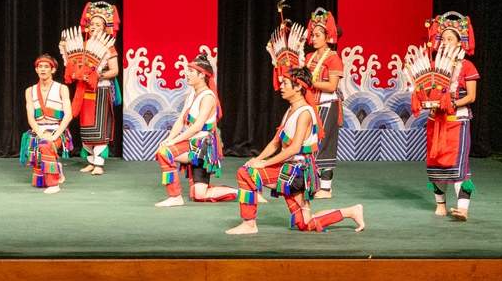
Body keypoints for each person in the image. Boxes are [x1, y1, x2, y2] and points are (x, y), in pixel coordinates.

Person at [226, 67, 365, 235]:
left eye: (285, 83)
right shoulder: (291, 110)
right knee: (304, 223)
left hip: (297, 172)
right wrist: (257, 159)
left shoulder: (304, 113)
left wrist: (264, 163)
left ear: (298, 87)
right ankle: (350, 211)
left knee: (245, 173)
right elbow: (276, 142)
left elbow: (294, 148)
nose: (281, 86)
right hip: (290, 169)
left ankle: (249, 224)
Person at [153, 53, 236, 206]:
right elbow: (180, 120)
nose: (187, 74)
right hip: (193, 143)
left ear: (202, 75)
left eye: (191, 71)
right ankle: (240, 192)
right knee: (199, 194)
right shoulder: (192, 94)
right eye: (188, 70)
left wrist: (173, 142)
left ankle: (175, 196)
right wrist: (169, 139)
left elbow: (197, 126)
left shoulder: (208, 97)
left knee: (165, 152)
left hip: (203, 146)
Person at [422, 11, 479, 221]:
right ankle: (441, 204)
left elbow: (471, 96)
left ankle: (462, 208)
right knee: (435, 162)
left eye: (449, 39)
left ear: (459, 42)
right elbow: (426, 91)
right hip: (436, 122)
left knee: (458, 165)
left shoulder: (467, 66)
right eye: (443, 38)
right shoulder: (434, 67)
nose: (445, 42)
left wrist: (452, 102)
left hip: (457, 122)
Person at [67, 1, 120, 174]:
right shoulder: (82, 47)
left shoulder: (108, 46)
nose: (94, 27)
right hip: (84, 90)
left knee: (99, 124)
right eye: (92, 24)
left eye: (99, 24)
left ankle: (99, 163)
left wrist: (97, 76)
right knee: (86, 124)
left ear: (105, 28)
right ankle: (90, 160)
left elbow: (115, 70)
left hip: (101, 90)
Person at [304, 8, 344, 198]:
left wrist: (310, 81)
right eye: (312, 34)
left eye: (318, 34)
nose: (314, 38)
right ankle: (313, 183)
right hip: (311, 104)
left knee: (325, 143)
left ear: (328, 36)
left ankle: (326, 188)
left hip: (328, 104)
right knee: (310, 143)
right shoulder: (309, 57)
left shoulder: (333, 58)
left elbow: (331, 86)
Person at [20, 54, 74, 193]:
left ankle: (53, 184)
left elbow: (68, 115)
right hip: (38, 131)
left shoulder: (62, 88)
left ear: (53, 70)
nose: (43, 69)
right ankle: (57, 168)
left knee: (45, 145)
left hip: (57, 130)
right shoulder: (29, 91)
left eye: (46, 67)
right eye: (40, 67)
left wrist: (56, 134)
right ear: (36, 70)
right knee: (38, 182)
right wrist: (40, 132)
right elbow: (31, 117)